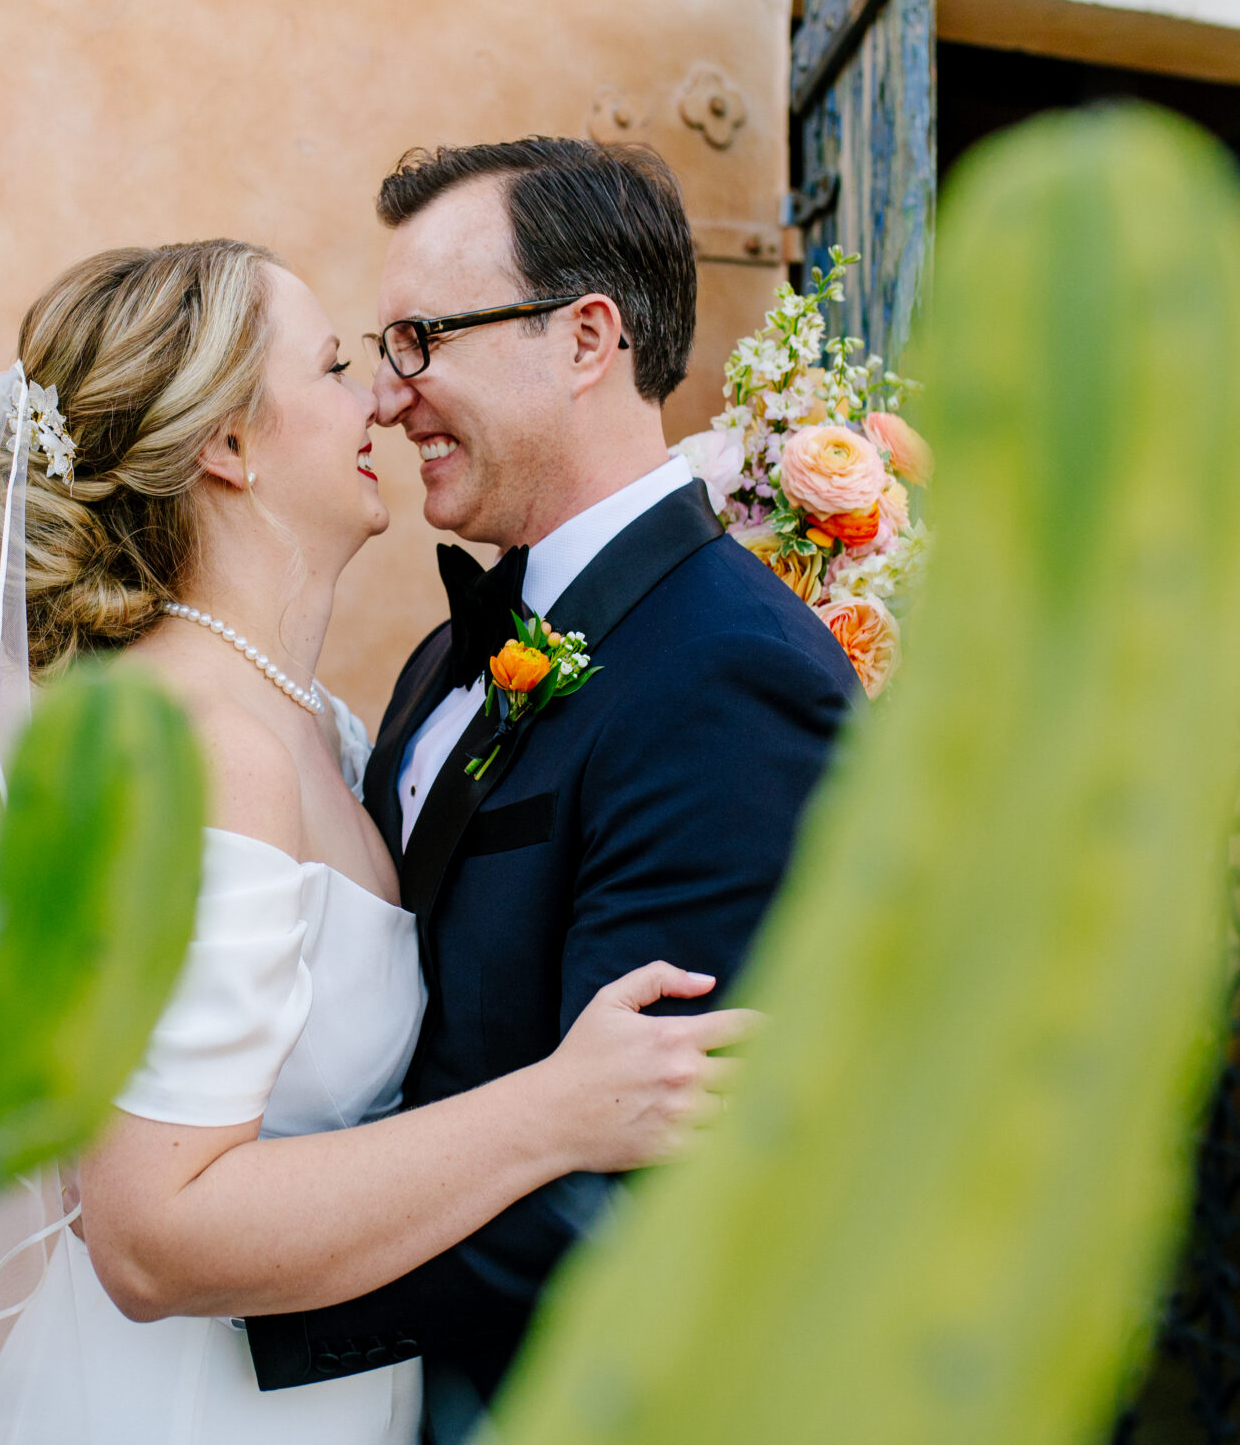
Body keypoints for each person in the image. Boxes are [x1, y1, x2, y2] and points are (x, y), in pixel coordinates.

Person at [0, 238, 751, 1445]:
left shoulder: (312, 723)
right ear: (230, 446)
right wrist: (559, 1112)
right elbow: (153, 1234)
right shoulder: (206, 746)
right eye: (333, 367)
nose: (380, 396)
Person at [240, 139, 862, 1440]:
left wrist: (249, 1291)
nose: (391, 398)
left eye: (421, 340)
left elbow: (647, 1170)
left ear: (587, 339)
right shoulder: (438, 658)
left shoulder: (732, 674)